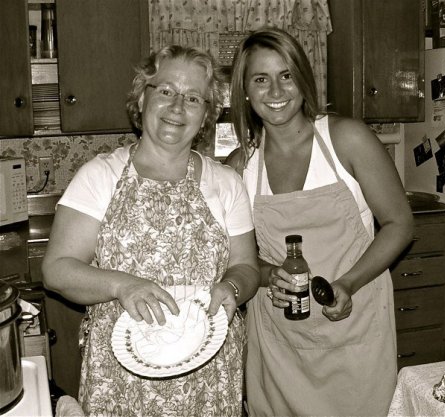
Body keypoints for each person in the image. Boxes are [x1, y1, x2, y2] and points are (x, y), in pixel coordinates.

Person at [42, 45, 260, 417]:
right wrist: (122, 285)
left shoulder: (227, 183)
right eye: (166, 91)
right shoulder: (100, 176)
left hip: (209, 372)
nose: (177, 107)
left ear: (206, 114)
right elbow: (57, 269)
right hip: (121, 374)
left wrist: (232, 288)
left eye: (193, 98)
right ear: (142, 97)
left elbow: (247, 268)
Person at [225, 27, 414, 417]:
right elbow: (239, 261)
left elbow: (399, 224)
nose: (276, 91)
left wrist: (348, 283)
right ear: (244, 90)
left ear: (303, 80)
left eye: (286, 75)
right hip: (280, 346)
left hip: (356, 330)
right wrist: (268, 273)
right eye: (261, 79)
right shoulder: (241, 168)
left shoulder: (347, 139)